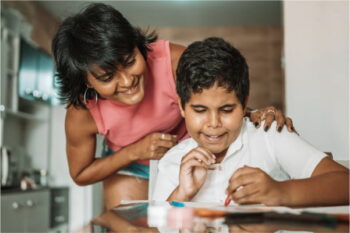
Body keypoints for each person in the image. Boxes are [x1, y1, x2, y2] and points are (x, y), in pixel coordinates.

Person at [52, 3, 295, 209]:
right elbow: (81, 173)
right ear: (85, 80)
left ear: (137, 45)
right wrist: (135, 152)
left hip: (192, 155)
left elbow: (218, 102)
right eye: (107, 77)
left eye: (130, 61)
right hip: (129, 165)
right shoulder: (82, 113)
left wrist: (256, 114)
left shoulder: (174, 61)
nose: (127, 81)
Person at [153, 37, 349, 206]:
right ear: (181, 106)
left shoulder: (269, 136)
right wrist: (182, 194)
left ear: (245, 103)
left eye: (227, 109)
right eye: (200, 110)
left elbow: (345, 183)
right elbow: (156, 227)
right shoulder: (173, 161)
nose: (213, 123)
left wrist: (280, 191)